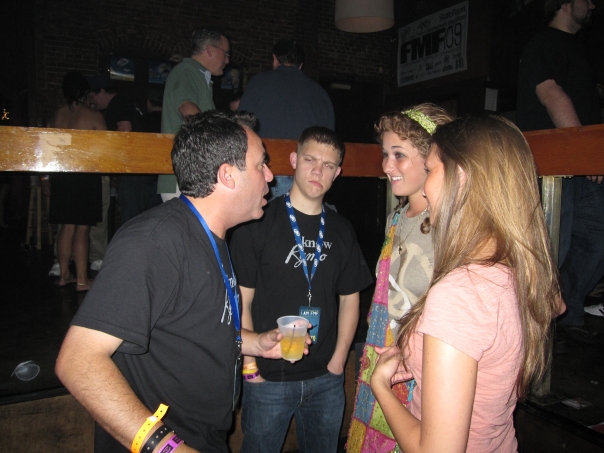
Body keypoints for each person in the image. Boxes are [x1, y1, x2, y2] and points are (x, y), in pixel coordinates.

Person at [55, 110, 308, 453]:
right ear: (227, 175)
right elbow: (78, 362)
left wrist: (257, 343)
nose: (270, 175)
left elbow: (199, 328)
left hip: (206, 438)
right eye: (261, 163)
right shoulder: (154, 242)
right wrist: (169, 447)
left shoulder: (213, 238)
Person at [370, 115, 562, 452]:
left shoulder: (460, 292)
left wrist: (380, 386)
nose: (425, 188)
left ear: (460, 177)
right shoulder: (513, 267)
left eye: (430, 170)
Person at [230, 126, 373, 453]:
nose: (318, 171)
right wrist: (251, 368)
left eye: (328, 165)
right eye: (310, 160)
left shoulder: (342, 229)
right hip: (268, 378)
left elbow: (350, 299)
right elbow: (242, 301)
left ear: (337, 173)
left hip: (326, 379)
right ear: (294, 160)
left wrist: (338, 362)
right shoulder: (258, 221)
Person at [346, 104, 454, 453]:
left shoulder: (450, 226)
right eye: (385, 154)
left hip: (423, 371)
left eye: (399, 155)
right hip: (382, 356)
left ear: (432, 158)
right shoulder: (396, 218)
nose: (386, 166)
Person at [516, 0, 602, 343]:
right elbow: (551, 95)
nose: (592, 4)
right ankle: (535, 327)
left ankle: (566, 311)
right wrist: (584, 152)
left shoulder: (580, 49)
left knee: (595, 239)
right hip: (556, 164)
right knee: (552, 247)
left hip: (583, 164)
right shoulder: (542, 44)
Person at [239, 38, 335, 199]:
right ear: (301, 64)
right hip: (310, 176)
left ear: (275, 59)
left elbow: (240, 128)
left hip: (267, 173)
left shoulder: (258, 83)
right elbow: (330, 141)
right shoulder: (320, 93)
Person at [48, 71, 105, 291]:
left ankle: (64, 275)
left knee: (66, 227)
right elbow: (107, 149)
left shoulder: (56, 116)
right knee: (82, 229)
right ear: (85, 92)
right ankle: (82, 279)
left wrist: (45, 179)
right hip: (85, 176)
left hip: (61, 175)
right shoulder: (93, 116)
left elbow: (48, 150)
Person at [159, 27, 230, 200]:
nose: (227, 60)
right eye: (226, 53)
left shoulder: (197, 75)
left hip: (190, 176)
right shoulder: (187, 71)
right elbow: (187, 109)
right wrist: (219, 138)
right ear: (210, 50)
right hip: (184, 178)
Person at [88, 75, 156, 228]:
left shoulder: (117, 103)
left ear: (102, 91)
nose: (92, 101)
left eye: (92, 96)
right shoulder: (129, 102)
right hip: (146, 170)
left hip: (133, 172)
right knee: (145, 222)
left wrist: (113, 164)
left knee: (131, 223)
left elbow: (124, 130)